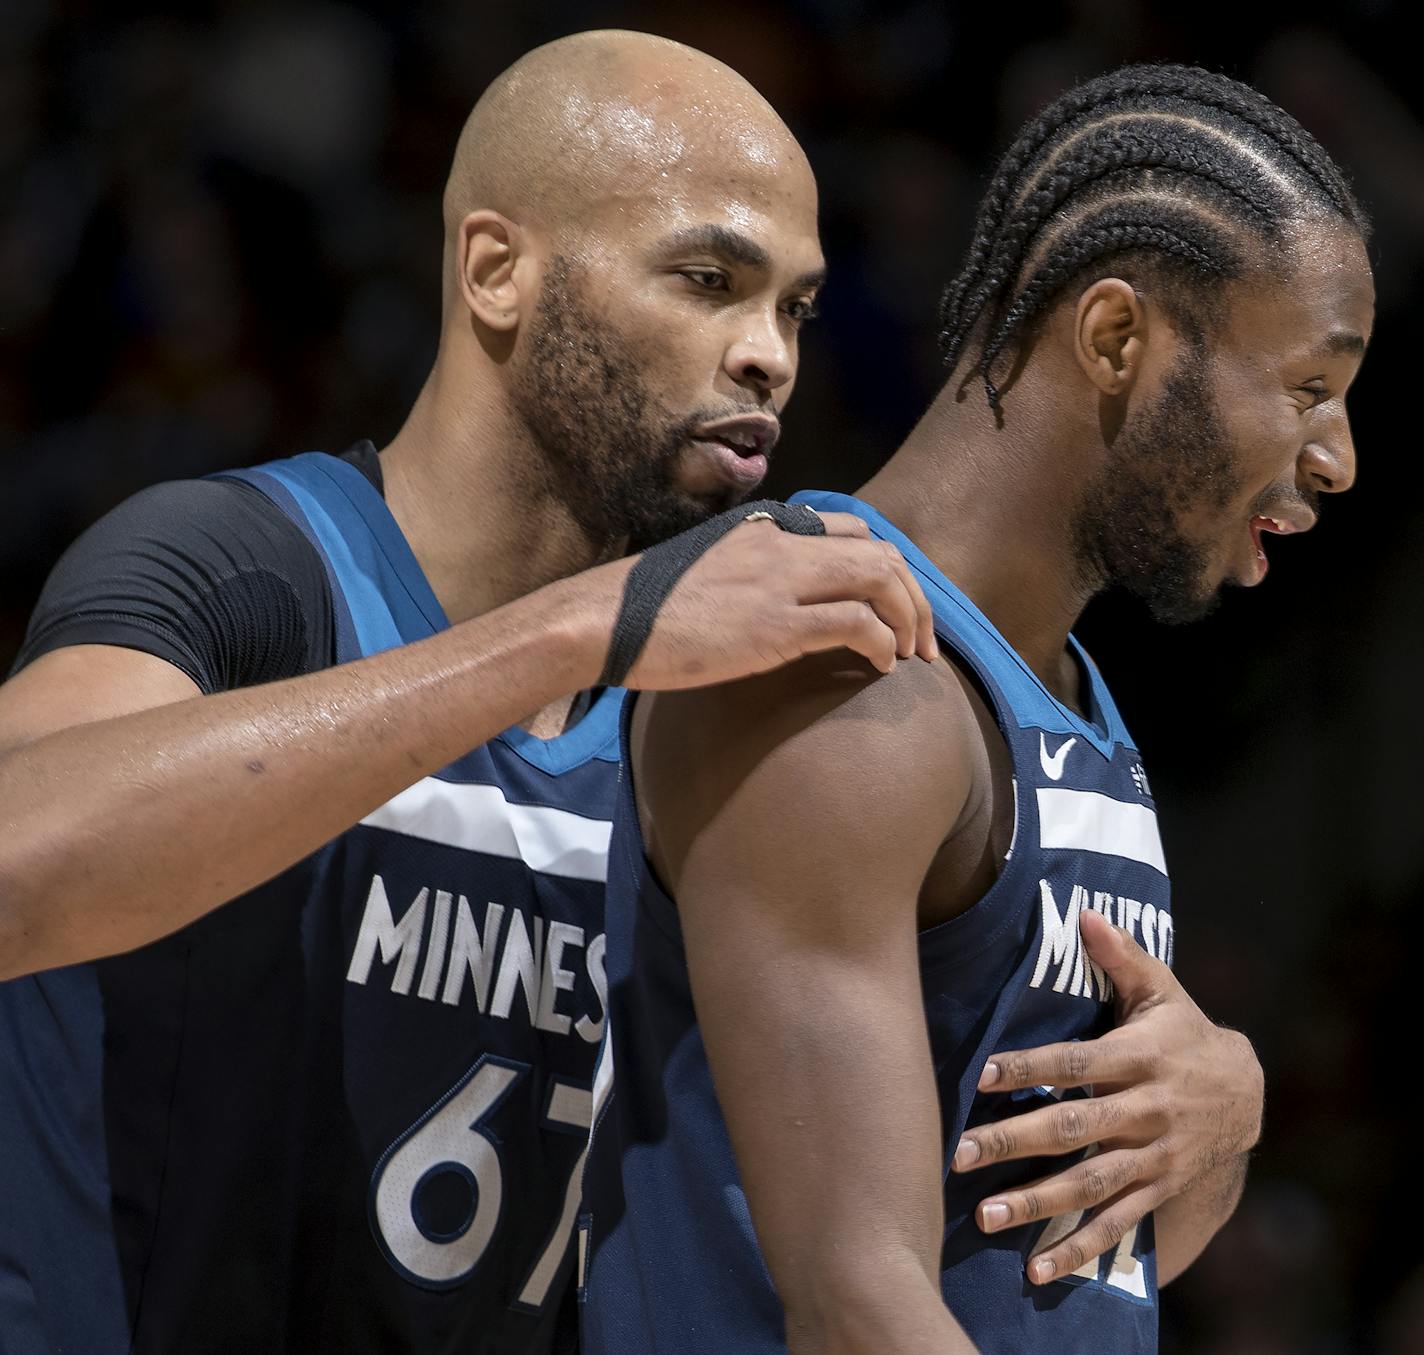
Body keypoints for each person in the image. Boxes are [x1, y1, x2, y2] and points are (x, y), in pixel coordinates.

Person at [0, 31, 945, 1355]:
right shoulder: (238, 564)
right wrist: (567, 636)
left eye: (790, 308)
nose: (768, 357)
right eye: (710, 280)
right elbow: (18, 864)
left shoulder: (712, 726)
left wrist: (1200, 1097)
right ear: (497, 271)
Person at [582, 63, 1371, 1354]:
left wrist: (1223, 1119)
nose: (1338, 456)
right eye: (1307, 388)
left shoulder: (1058, 695)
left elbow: (1058, 1264)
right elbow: (858, 1300)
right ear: (1118, 340)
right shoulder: (841, 663)